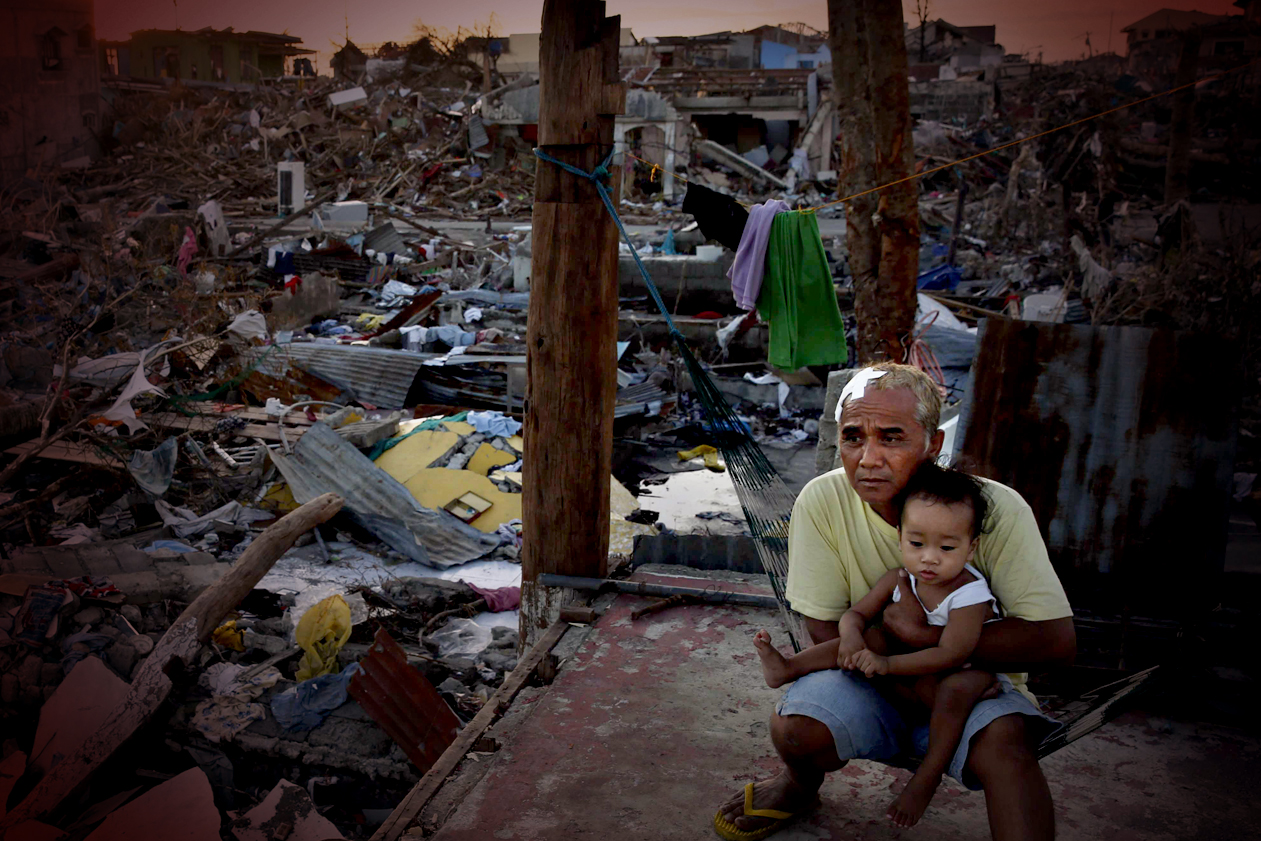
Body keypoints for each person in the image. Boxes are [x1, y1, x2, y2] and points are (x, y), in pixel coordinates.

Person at [713, 362, 1076, 841]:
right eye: (852, 437)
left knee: (1007, 749)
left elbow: (1053, 640)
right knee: (797, 728)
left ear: (933, 444)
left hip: (961, 688)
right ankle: (800, 784)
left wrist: (915, 636)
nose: (868, 458)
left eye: (891, 437)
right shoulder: (823, 501)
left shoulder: (992, 508)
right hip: (873, 677)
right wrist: (901, 672)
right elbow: (825, 632)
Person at [754, 463, 1018, 827]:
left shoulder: (969, 594)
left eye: (947, 547)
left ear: (970, 549)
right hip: (902, 675)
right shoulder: (899, 577)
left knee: (960, 686)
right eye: (916, 543)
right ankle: (788, 667)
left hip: (952, 678)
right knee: (872, 636)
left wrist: (886, 665)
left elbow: (953, 654)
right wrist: (850, 638)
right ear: (900, 537)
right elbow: (854, 616)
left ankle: (927, 776)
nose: (929, 557)